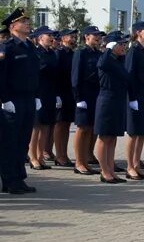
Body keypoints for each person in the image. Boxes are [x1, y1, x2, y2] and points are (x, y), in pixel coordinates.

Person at [0, 8, 40, 194]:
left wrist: (37, 95)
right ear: (12, 26)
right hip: (12, 100)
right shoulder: (7, 48)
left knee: (23, 141)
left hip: (29, 98)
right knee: (10, 141)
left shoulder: (30, 47)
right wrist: (4, 99)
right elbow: (2, 76)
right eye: (23, 21)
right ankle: (9, 180)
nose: (27, 24)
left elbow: (34, 74)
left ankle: (19, 178)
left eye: (27, 21)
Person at [93, 31, 130, 184]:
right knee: (104, 136)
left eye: (123, 44)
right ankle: (104, 171)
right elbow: (101, 64)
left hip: (117, 100)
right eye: (120, 44)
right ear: (112, 45)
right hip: (106, 100)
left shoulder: (118, 60)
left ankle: (110, 169)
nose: (123, 46)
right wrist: (108, 49)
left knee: (112, 137)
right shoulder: (105, 58)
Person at [124, 21, 144, 180]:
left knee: (142, 132)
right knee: (133, 133)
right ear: (138, 33)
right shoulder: (133, 51)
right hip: (136, 97)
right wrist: (132, 98)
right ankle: (129, 166)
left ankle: (136, 164)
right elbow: (129, 75)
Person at [72, 25, 104, 175]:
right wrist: (78, 97)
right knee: (82, 128)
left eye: (98, 35)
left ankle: (86, 159)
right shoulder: (81, 52)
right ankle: (78, 162)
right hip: (84, 95)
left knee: (91, 128)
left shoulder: (98, 53)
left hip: (96, 94)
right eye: (94, 35)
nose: (97, 37)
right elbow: (76, 77)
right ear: (86, 37)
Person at [28, 26, 59, 170]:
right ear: (40, 37)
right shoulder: (35, 52)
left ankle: (40, 156)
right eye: (48, 35)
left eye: (52, 35)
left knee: (46, 126)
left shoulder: (52, 53)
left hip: (50, 93)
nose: (51, 37)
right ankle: (33, 157)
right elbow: (34, 73)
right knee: (36, 127)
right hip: (38, 93)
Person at [53, 28, 78, 167]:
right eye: (70, 35)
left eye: (74, 35)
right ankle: (59, 155)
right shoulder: (59, 53)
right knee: (59, 124)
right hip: (60, 92)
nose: (73, 37)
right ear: (62, 38)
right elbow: (55, 75)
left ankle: (64, 154)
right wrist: (56, 94)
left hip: (69, 93)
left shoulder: (71, 53)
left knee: (67, 124)